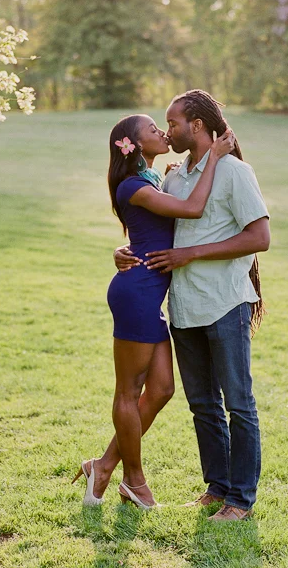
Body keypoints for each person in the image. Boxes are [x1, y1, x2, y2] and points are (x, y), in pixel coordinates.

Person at [116, 90, 270, 522]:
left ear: (198, 126)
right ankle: (217, 488)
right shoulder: (175, 178)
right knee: (202, 403)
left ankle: (240, 498)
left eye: (174, 123)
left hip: (224, 304)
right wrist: (122, 250)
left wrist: (192, 255)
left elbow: (260, 238)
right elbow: (157, 232)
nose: (168, 131)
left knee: (238, 403)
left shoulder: (235, 172)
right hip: (183, 308)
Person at [72, 113, 235, 510]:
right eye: (152, 129)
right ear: (134, 144)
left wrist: (173, 174)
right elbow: (192, 209)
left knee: (161, 389)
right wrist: (213, 156)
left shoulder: (149, 179)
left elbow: (147, 228)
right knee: (128, 391)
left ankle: (104, 464)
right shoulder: (133, 186)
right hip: (136, 294)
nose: (161, 132)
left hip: (148, 294)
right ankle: (134, 481)